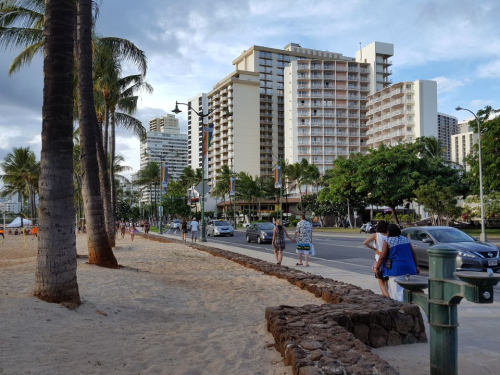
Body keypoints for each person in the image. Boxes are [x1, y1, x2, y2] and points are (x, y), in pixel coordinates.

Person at [375, 224, 420, 301]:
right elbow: (413, 253)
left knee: (397, 292)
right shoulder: (405, 239)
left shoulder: (388, 241)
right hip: (409, 267)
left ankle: (402, 309)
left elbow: (382, 256)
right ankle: (409, 306)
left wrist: (377, 267)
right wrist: (416, 266)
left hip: (396, 269)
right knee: (406, 290)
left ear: (388, 232)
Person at [363, 220, 390, 298]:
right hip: (388, 259)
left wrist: (375, 249)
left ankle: (387, 297)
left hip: (379, 259)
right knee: (386, 280)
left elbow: (365, 243)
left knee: (380, 280)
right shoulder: (389, 235)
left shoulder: (376, 235)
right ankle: (384, 295)